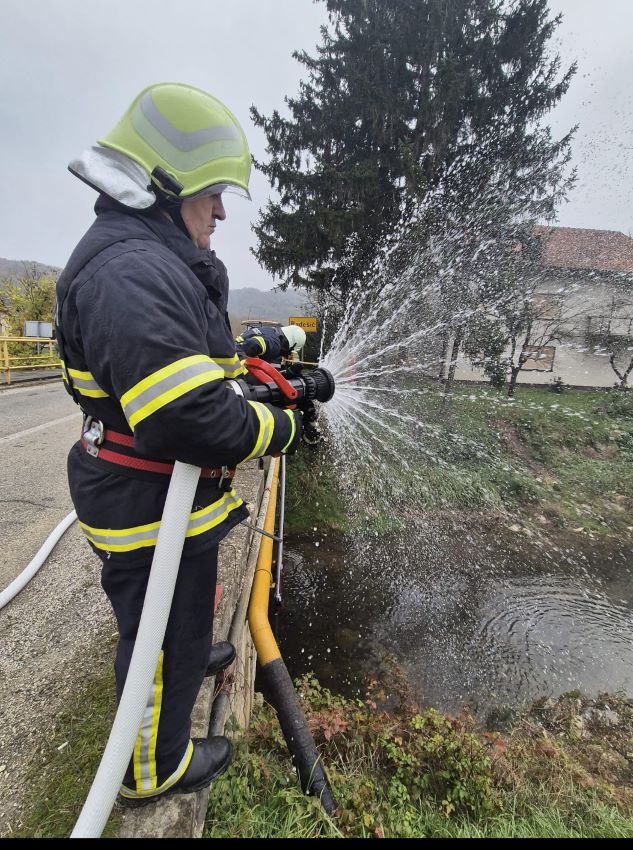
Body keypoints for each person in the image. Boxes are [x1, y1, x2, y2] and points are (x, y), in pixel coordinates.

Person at [55, 83, 302, 804]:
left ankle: (191, 651)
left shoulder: (147, 260)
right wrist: (282, 427)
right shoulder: (130, 272)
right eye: (213, 193)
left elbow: (196, 361)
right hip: (145, 503)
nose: (221, 211)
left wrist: (258, 357)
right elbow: (190, 416)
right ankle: (149, 770)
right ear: (165, 187)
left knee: (180, 616)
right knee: (157, 633)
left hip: (155, 496)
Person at [235, 324, 307, 364]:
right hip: (233, 361)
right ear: (291, 345)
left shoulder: (269, 330)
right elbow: (253, 343)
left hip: (232, 349)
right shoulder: (274, 343)